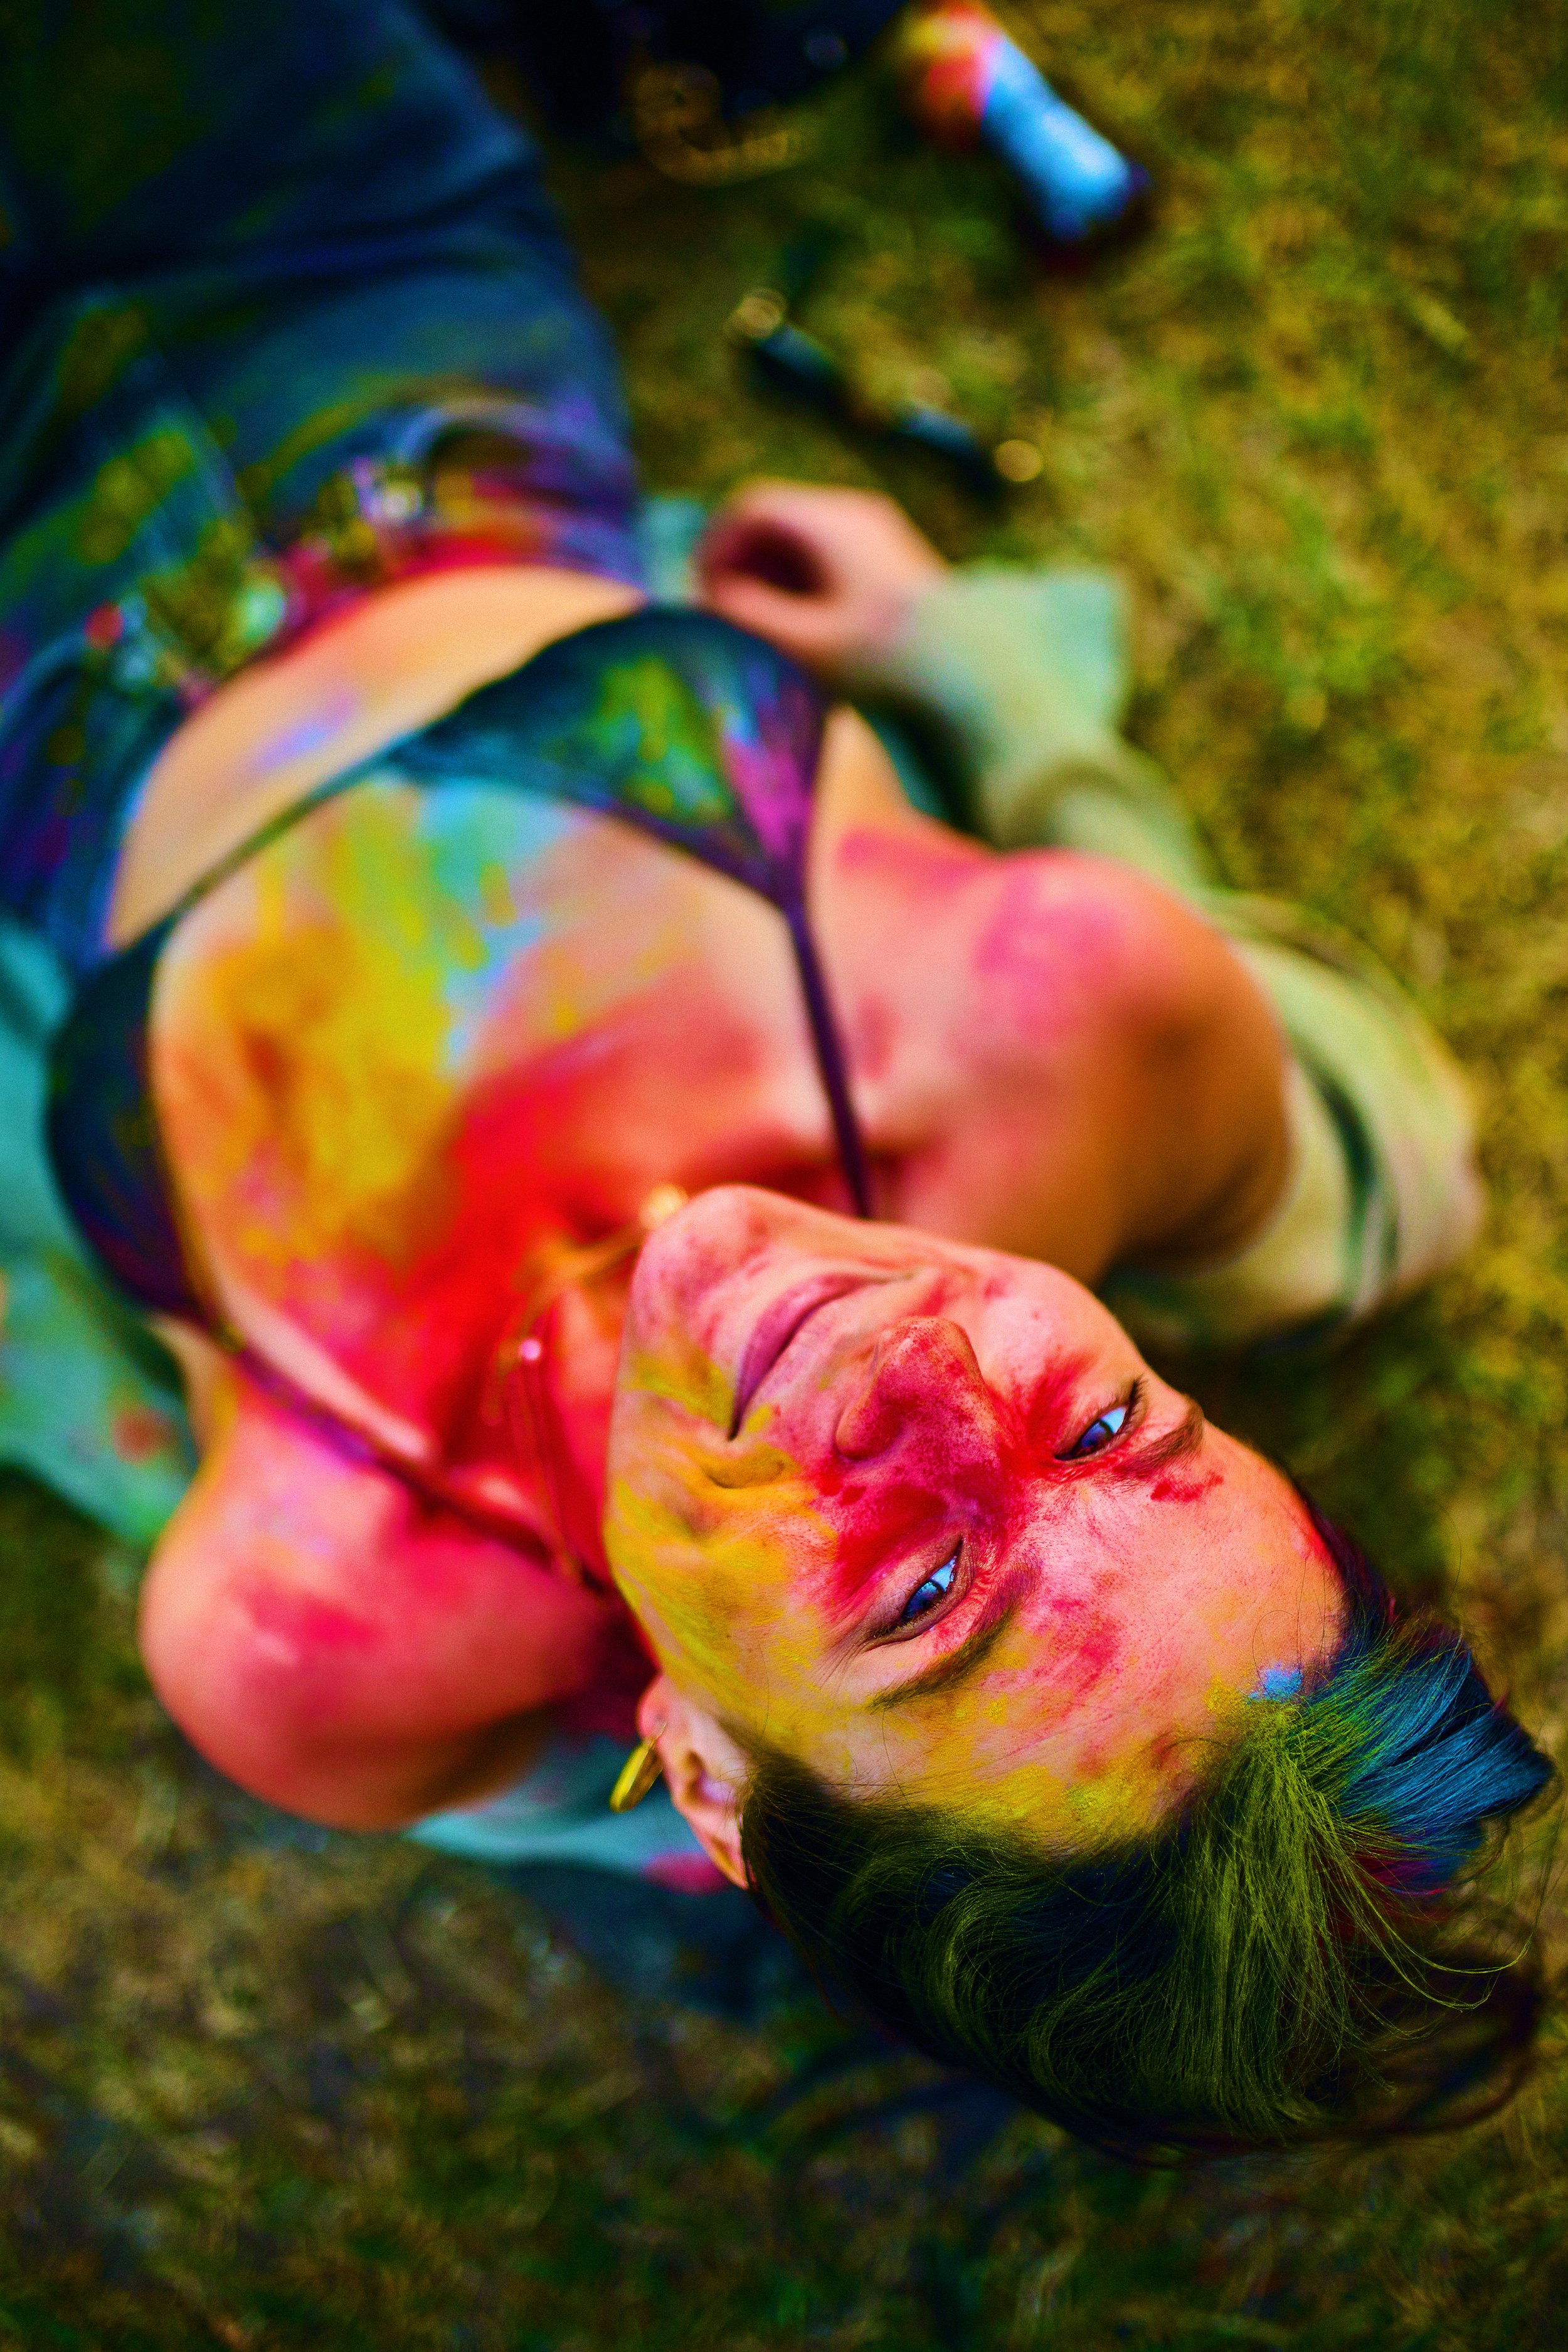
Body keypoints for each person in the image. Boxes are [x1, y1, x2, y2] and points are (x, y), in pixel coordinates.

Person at [0, 0, 1552, 2155]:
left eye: (923, 1598)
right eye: (1111, 1426)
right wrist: (969, 673)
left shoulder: (318, 1619)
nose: (923, 1373)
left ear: (707, 1782)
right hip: (367, 309)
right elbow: (1383, 1160)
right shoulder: (1042, 1016)